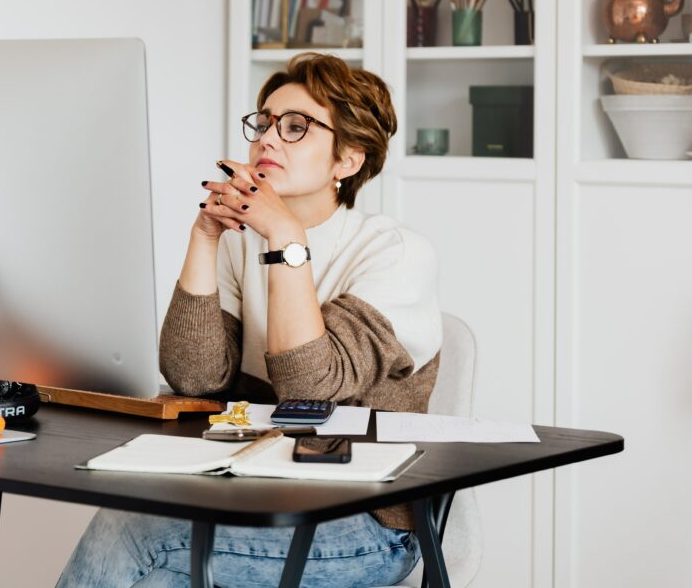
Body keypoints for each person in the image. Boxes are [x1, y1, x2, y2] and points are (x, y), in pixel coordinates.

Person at [56, 53, 442, 587]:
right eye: (263, 122)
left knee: (135, 530)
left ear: (347, 160)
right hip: (253, 488)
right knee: (159, 576)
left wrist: (286, 241)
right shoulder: (241, 243)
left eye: (296, 127)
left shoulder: (396, 253)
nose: (267, 139)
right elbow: (195, 377)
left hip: (366, 522)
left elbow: (309, 389)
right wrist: (205, 236)